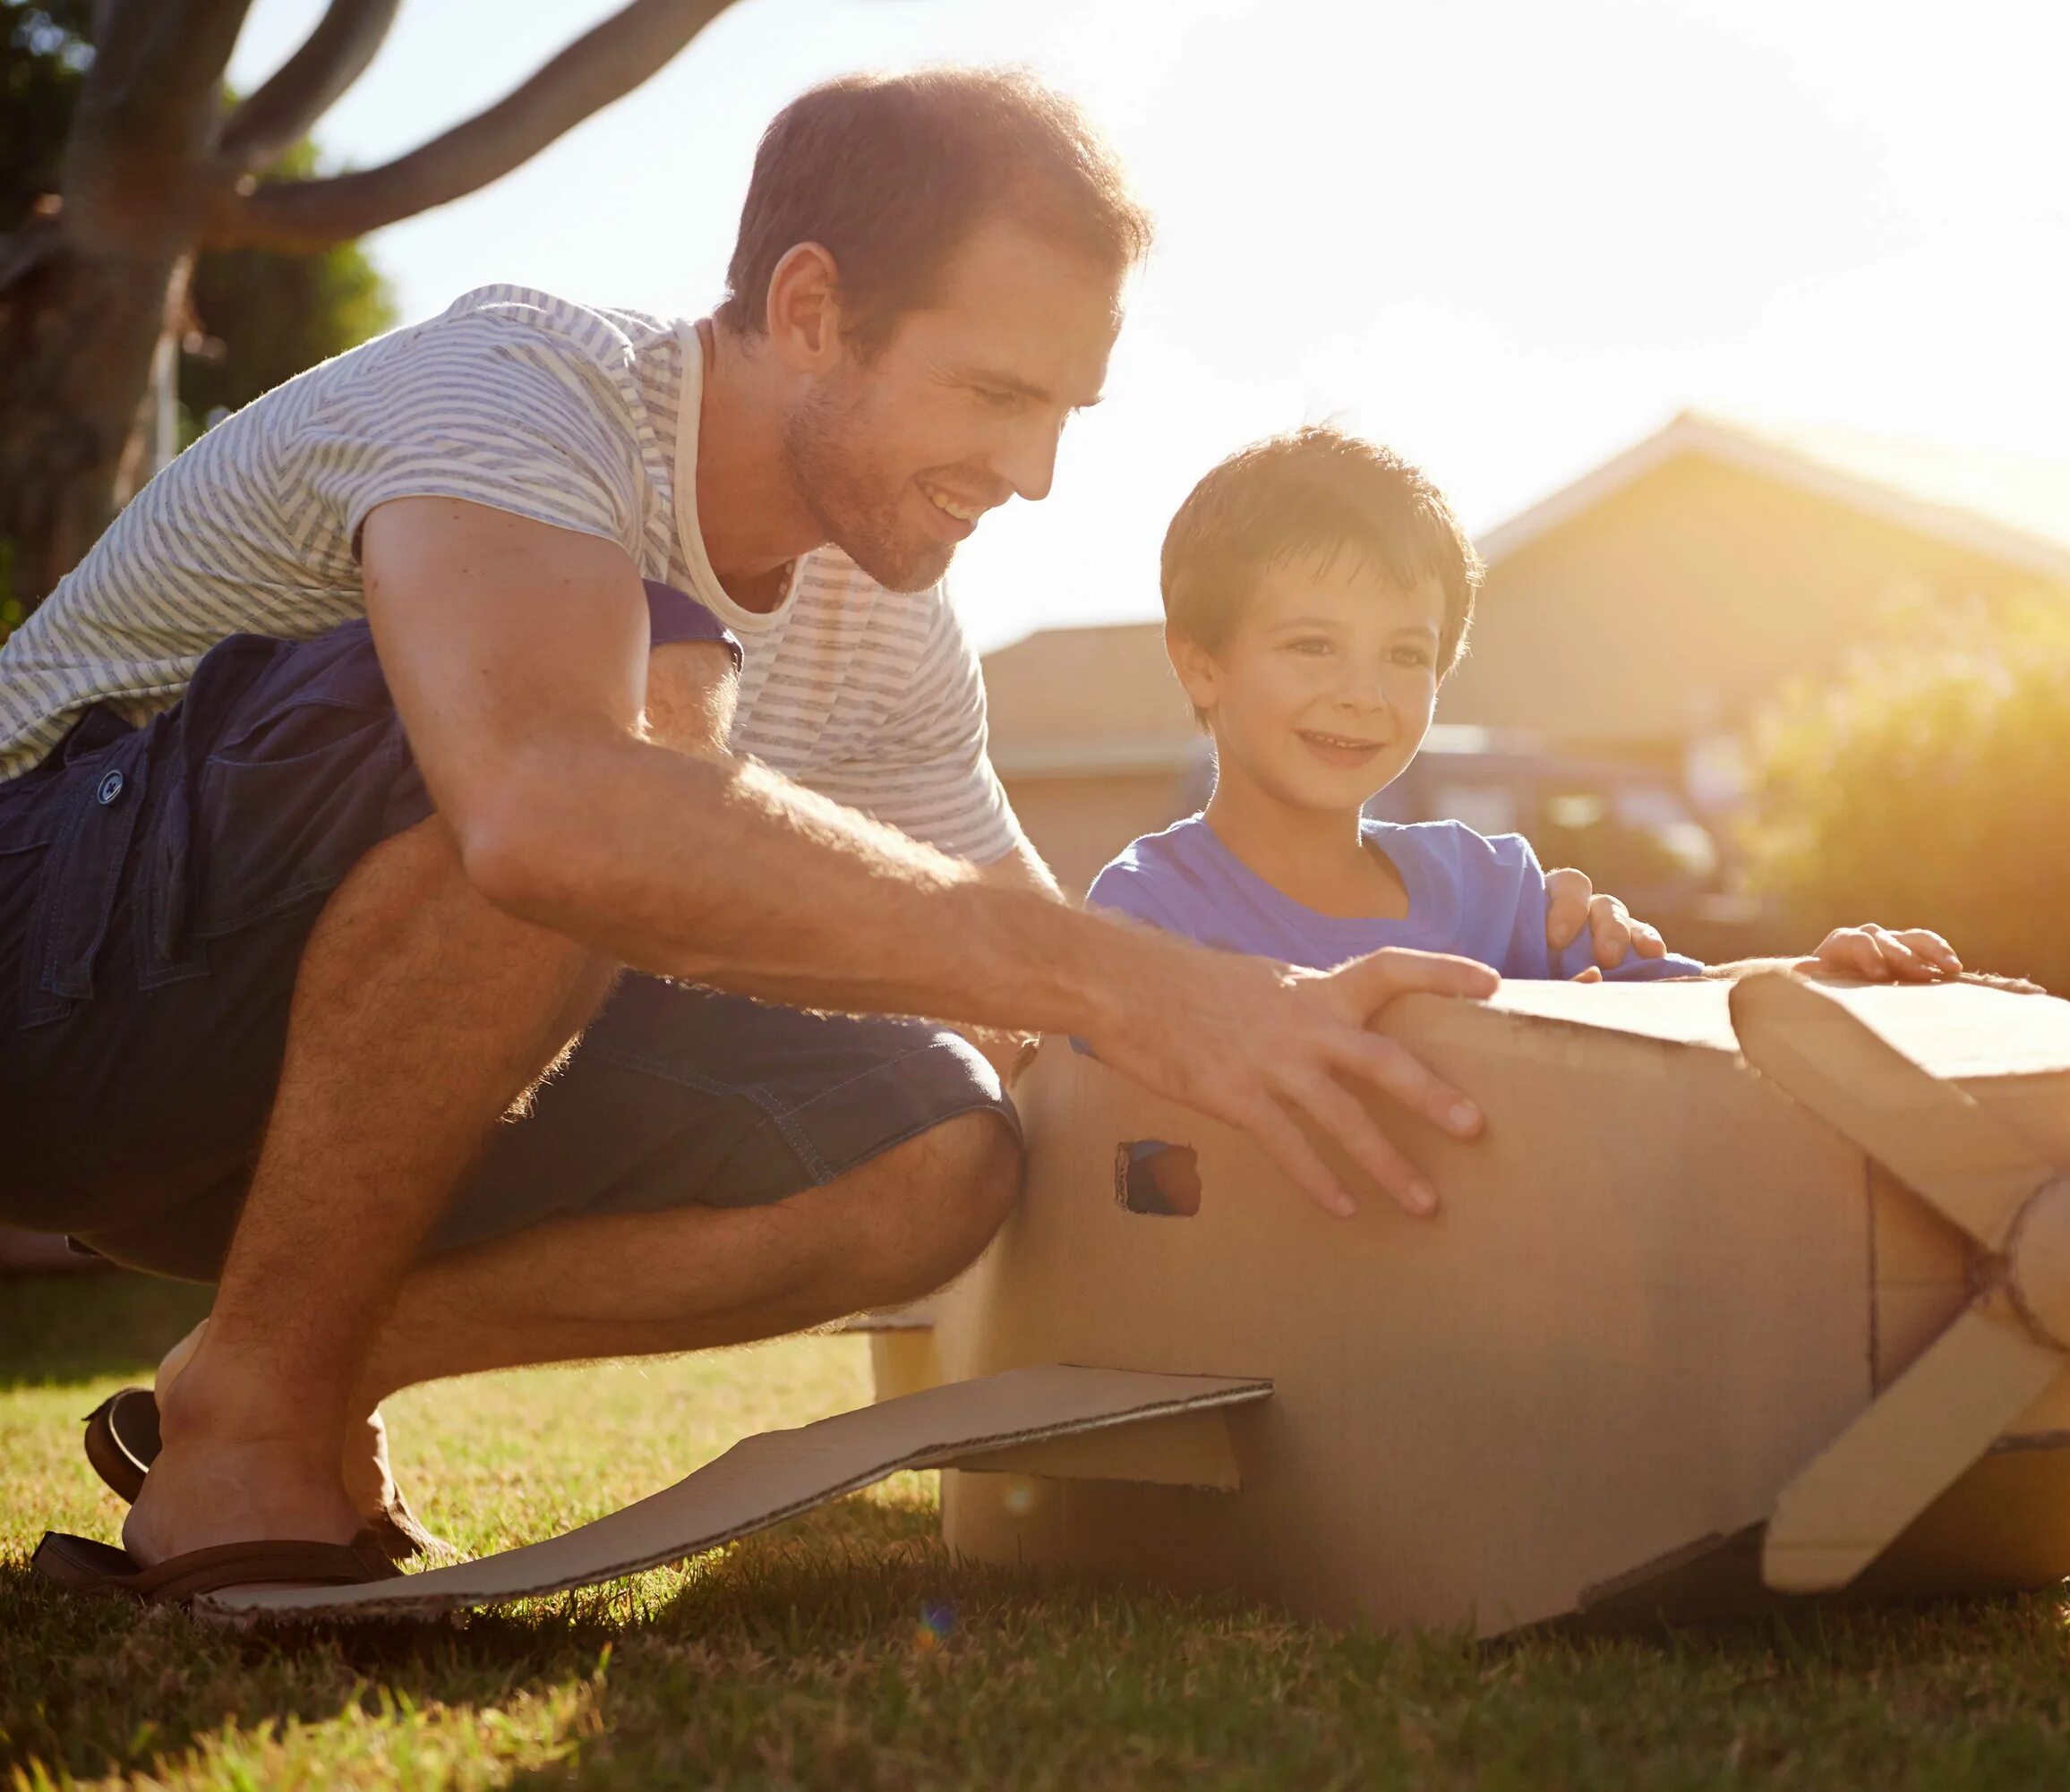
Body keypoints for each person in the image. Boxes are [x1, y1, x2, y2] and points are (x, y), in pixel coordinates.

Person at [0, 73, 1650, 1604]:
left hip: (281, 1107)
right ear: (809, 312)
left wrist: (1308, 1022)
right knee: (605, 746)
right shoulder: (524, 390)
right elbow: (547, 804)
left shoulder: (888, 623)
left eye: (1067, 408)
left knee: (935, 1135)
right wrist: (1143, 985)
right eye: (999, 392)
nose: (1036, 470)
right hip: (46, 989)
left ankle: (277, 1366)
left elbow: (1033, 990)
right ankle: (256, 1447)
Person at [1087, 429, 1964, 988]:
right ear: (1201, 665)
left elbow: (1691, 1003)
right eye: (1313, 645)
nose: (1364, 692)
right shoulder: (1149, 916)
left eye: (1405, 654)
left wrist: (1811, 974)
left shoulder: (1494, 890)